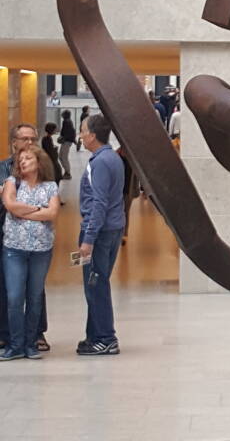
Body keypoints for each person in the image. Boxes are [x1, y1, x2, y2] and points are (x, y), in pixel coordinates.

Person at [0, 145, 59, 361]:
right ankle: (15, 344)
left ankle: (30, 343)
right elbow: (11, 206)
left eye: (27, 158)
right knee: (15, 296)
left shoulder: (50, 186)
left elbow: (52, 213)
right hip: (14, 249)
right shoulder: (12, 182)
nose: (22, 162)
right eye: (20, 160)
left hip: (41, 250)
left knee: (34, 297)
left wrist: (25, 210)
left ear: (39, 161)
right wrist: (37, 210)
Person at [77, 113, 126, 355]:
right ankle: (93, 335)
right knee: (96, 282)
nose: (81, 135)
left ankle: (106, 338)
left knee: (95, 284)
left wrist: (88, 239)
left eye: (83, 131)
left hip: (99, 232)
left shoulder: (100, 163)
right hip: (112, 229)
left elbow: (99, 203)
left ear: (93, 135)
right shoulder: (111, 158)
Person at [41, 123, 63, 189]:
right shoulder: (47, 139)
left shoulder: (47, 138)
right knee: (56, 177)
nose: (55, 130)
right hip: (51, 162)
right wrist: (55, 150)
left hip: (51, 161)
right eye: (54, 129)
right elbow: (50, 152)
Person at [58, 109, 77, 179]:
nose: (61, 115)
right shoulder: (68, 121)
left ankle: (68, 173)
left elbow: (69, 132)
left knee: (63, 157)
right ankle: (66, 171)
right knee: (61, 156)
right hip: (67, 141)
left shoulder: (66, 122)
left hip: (67, 141)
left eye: (63, 114)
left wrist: (62, 138)